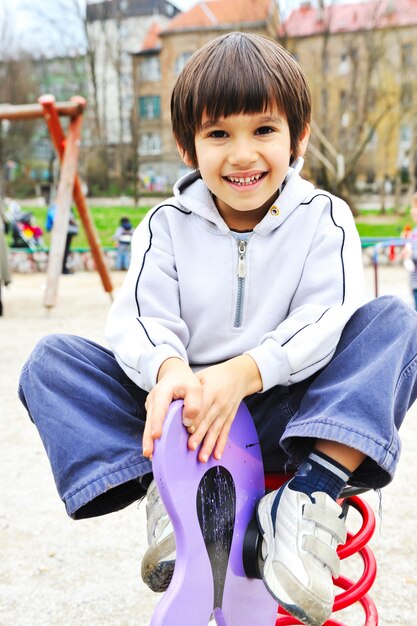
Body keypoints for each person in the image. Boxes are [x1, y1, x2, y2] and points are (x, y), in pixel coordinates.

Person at [18, 33, 417, 626]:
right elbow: (141, 318)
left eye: (264, 130)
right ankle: (170, 498)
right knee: (51, 364)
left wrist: (245, 373)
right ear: (187, 146)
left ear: (297, 137)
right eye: (218, 134)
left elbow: (324, 317)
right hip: (182, 416)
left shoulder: (323, 219)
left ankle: (307, 496)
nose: (242, 155)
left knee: (394, 323)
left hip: (285, 408)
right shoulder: (165, 225)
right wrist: (171, 372)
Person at [46, 203, 79, 274]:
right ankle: (62, 269)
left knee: (62, 250)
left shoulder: (55, 208)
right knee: (62, 250)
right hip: (62, 232)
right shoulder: (59, 208)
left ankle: (60, 268)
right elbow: (57, 219)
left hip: (61, 231)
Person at [402, 192, 417, 309]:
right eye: (412, 207)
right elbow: (409, 251)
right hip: (414, 282)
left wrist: (411, 255)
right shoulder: (413, 232)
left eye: (416, 207)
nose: (412, 210)